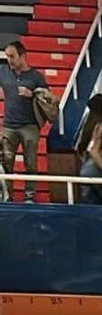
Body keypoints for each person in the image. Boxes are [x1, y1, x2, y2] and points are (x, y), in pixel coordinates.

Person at [0, 41, 47, 200]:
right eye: (7, 56)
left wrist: (32, 94)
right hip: (8, 126)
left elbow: (49, 100)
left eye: (12, 56)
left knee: (31, 165)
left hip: (30, 126)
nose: (9, 60)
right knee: (6, 164)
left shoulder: (37, 77)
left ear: (23, 56)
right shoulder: (3, 71)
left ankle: (30, 197)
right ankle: (8, 197)